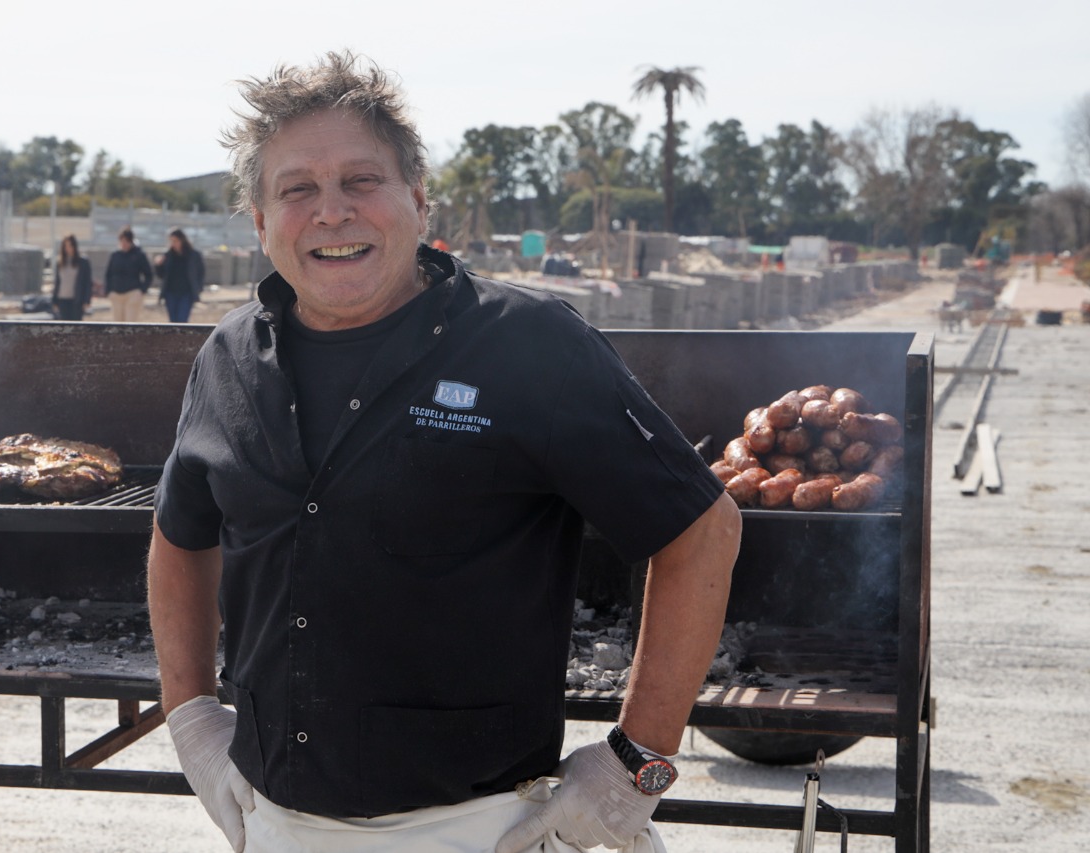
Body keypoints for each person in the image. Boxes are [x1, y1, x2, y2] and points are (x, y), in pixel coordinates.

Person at [148, 51, 741, 853]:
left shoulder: (529, 345)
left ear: (418, 199)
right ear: (259, 221)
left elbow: (701, 528)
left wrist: (637, 764)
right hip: (277, 824)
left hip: (489, 827)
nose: (332, 212)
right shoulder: (227, 358)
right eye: (298, 190)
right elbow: (180, 535)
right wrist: (189, 715)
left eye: (362, 180)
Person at [102, 226, 153, 322]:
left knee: (130, 323)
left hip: (132, 293)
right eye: (122, 241)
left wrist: (142, 290)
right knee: (117, 324)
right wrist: (109, 290)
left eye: (127, 241)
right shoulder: (115, 255)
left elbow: (148, 274)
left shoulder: (139, 255)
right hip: (116, 294)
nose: (124, 244)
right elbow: (108, 274)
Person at [154, 227, 205, 322]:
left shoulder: (193, 255)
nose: (173, 244)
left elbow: (200, 273)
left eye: (175, 241)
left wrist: (198, 289)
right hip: (171, 293)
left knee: (182, 320)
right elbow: (161, 275)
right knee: (173, 321)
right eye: (171, 241)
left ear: (182, 240)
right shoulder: (168, 255)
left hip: (186, 293)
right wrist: (158, 265)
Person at [51, 234, 92, 321]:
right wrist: (54, 300)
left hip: (76, 300)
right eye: (65, 246)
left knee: (76, 328)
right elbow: (58, 282)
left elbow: (87, 282)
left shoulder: (82, 262)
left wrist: (86, 301)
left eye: (70, 245)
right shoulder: (60, 263)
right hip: (63, 299)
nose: (68, 248)